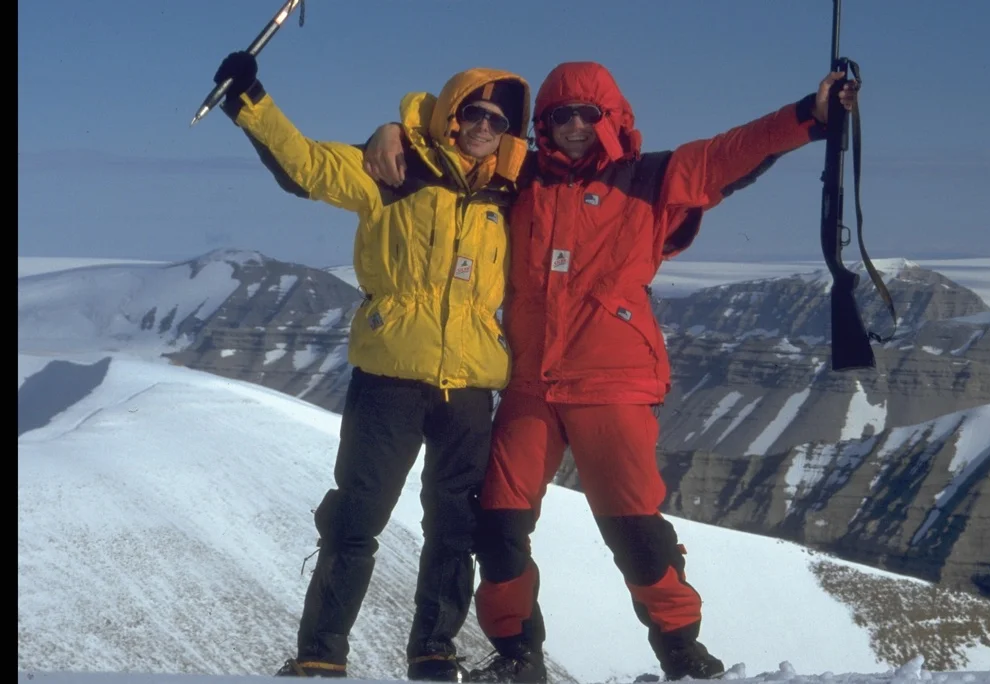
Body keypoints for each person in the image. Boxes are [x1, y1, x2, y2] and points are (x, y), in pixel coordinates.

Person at [364, 61, 859, 683]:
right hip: (531, 384)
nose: (572, 127)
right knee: (496, 523)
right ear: (541, 125)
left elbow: (732, 153)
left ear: (612, 119)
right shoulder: (520, 176)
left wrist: (809, 116)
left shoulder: (651, 176)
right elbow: (454, 149)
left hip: (612, 381)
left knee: (633, 530)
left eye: (586, 114)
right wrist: (392, 129)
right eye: (557, 116)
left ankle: (681, 651)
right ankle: (519, 655)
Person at [209, 50, 531, 680]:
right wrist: (251, 100)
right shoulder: (393, 167)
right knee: (355, 521)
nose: (485, 125)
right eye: (474, 112)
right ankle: (320, 655)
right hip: (390, 380)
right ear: (452, 112)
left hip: (468, 388)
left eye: (498, 118)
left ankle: (434, 651)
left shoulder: (510, 190)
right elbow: (305, 168)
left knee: (454, 529)